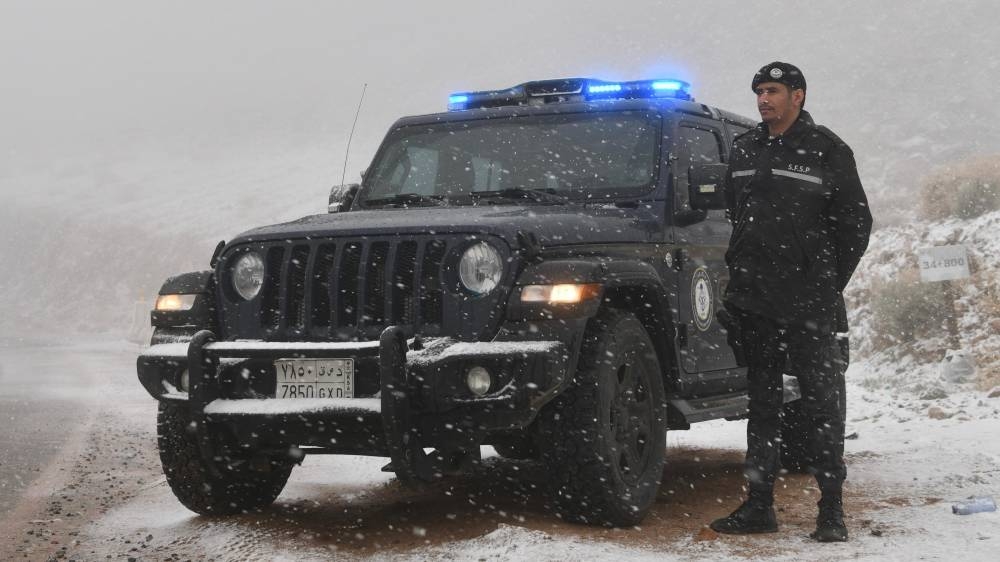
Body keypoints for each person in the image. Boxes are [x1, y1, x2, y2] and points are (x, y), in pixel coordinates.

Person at [710, 62, 873, 542]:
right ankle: (759, 506)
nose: (763, 99)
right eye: (759, 91)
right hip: (754, 301)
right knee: (763, 406)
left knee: (823, 406)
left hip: (809, 304)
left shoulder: (827, 149)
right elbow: (737, 214)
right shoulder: (745, 148)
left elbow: (855, 224)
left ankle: (831, 511)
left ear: (797, 96)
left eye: (773, 91)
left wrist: (824, 283)